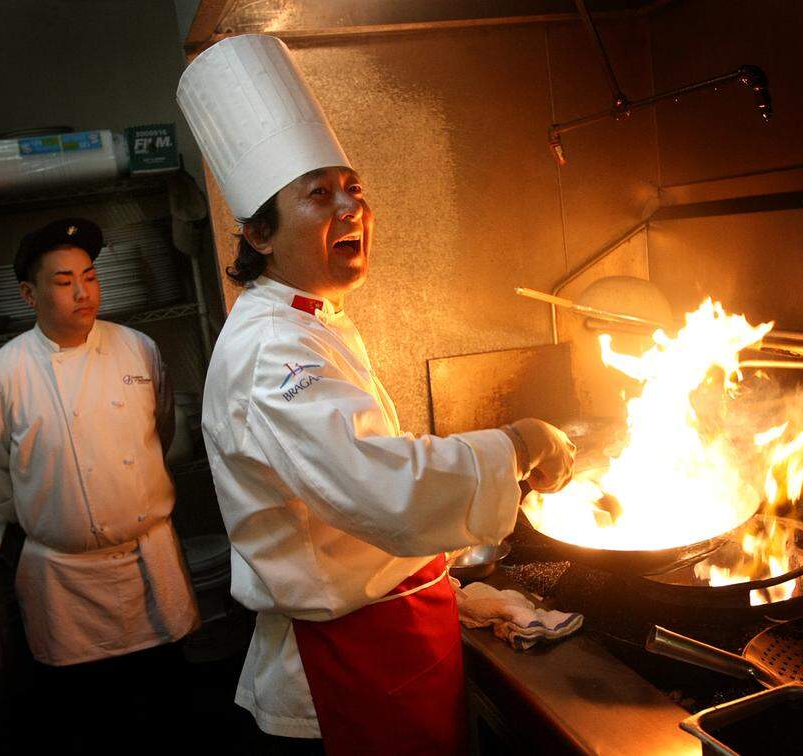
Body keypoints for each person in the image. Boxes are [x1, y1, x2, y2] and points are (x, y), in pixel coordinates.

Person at [178, 35, 575, 754]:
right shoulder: (275, 348)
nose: (351, 206)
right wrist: (517, 443)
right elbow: (372, 482)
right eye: (319, 193)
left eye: (355, 188)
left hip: (394, 631)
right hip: (344, 667)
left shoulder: (310, 319)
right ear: (261, 233)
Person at [0, 218, 200, 752]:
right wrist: (39, 511)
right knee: (88, 724)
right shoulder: (1, 375)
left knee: (171, 714)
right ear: (29, 293)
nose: (82, 291)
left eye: (89, 276)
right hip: (66, 582)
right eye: (64, 280)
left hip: (149, 564)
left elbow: (160, 431)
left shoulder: (139, 348)